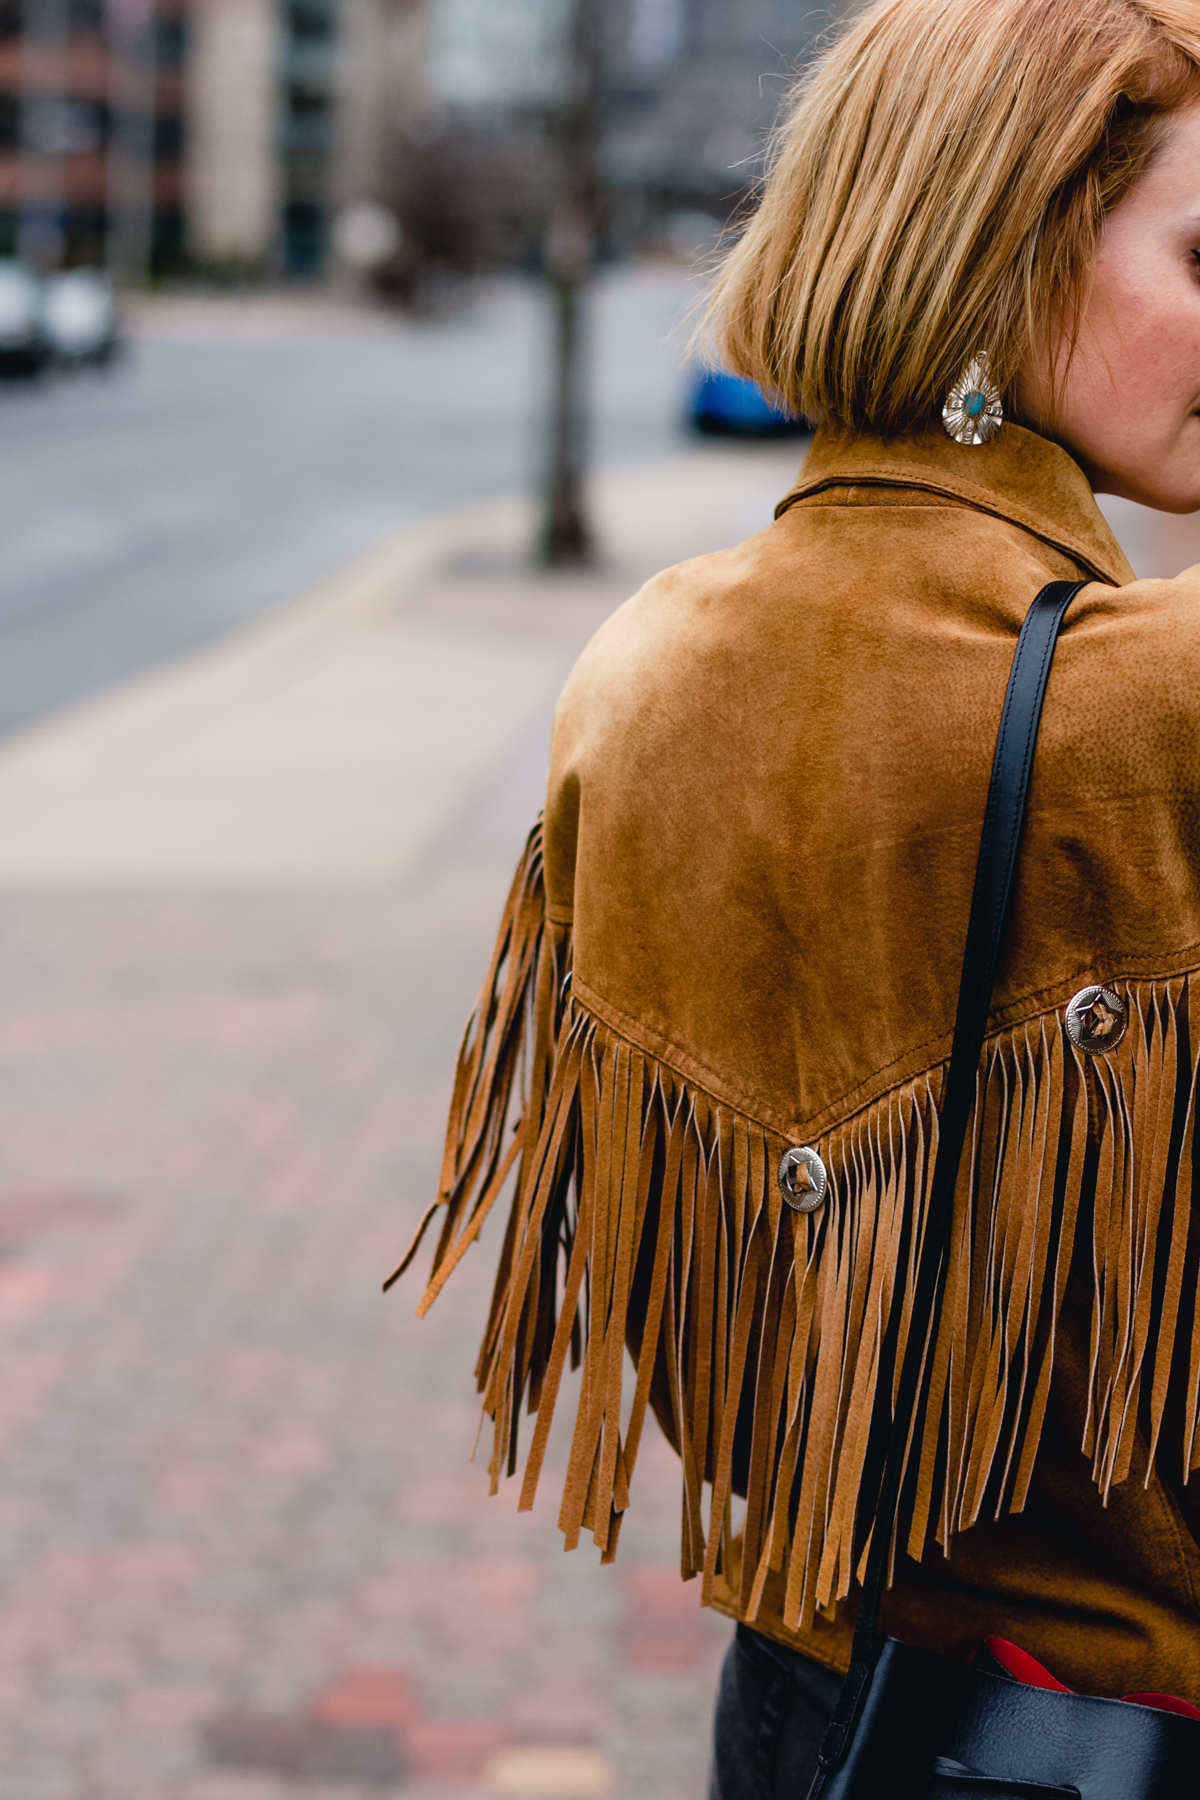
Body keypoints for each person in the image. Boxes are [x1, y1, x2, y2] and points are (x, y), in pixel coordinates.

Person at [392, 0, 1200, 1791]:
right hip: (1122, 1727)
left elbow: (697, 1330)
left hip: (815, 1707)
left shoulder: (652, 663)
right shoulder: (1151, 710)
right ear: (1009, 247)